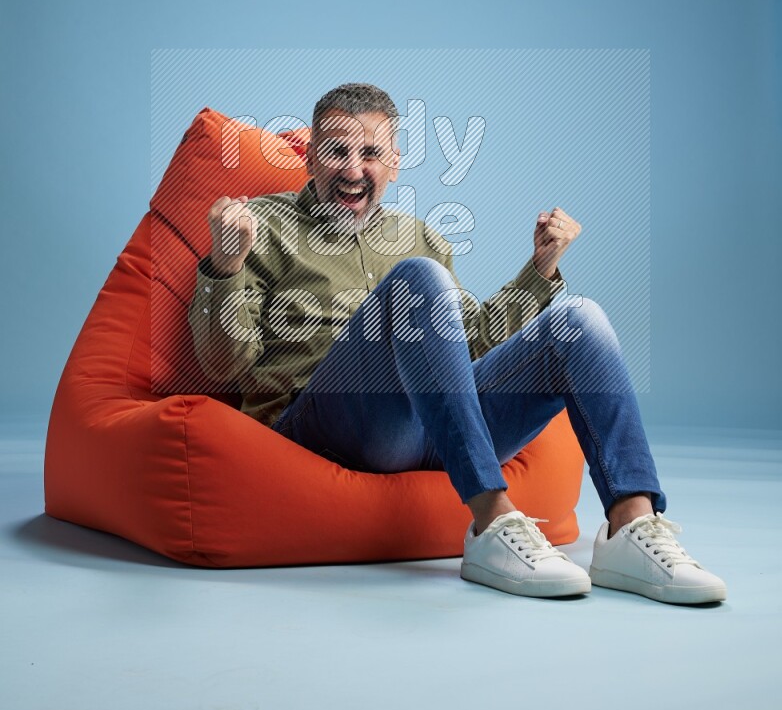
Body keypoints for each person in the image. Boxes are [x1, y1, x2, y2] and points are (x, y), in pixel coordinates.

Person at [188, 81, 726, 605]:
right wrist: (225, 267)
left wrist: (540, 269)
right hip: (327, 426)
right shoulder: (260, 225)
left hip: (434, 431)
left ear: (394, 164)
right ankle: (492, 521)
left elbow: (472, 345)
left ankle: (630, 526)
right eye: (336, 152)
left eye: (370, 153)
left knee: (579, 319)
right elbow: (221, 366)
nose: (353, 170)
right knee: (418, 278)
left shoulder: (420, 235)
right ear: (310, 159)